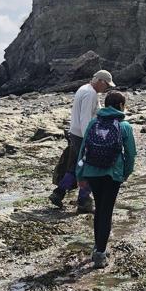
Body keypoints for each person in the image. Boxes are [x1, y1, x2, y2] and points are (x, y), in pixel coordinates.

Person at [76, 90, 136, 268]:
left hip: (92, 172)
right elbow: (131, 153)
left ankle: (97, 246)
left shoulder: (94, 123)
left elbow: (83, 150)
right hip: (112, 174)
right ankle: (101, 254)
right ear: (120, 106)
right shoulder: (124, 126)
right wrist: (126, 172)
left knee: (99, 209)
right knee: (106, 211)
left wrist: (80, 174)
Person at [49, 70, 115, 213]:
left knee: (75, 166)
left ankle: (59, 193)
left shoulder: (85, 89)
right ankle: (83, 201)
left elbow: (94, 111)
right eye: (106, 85)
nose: (106, 89)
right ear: (100, 82)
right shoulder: (90, 94)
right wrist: (89, 140)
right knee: (88, 167)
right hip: (81, 136)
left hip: (75, 133)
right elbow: (85, 118)